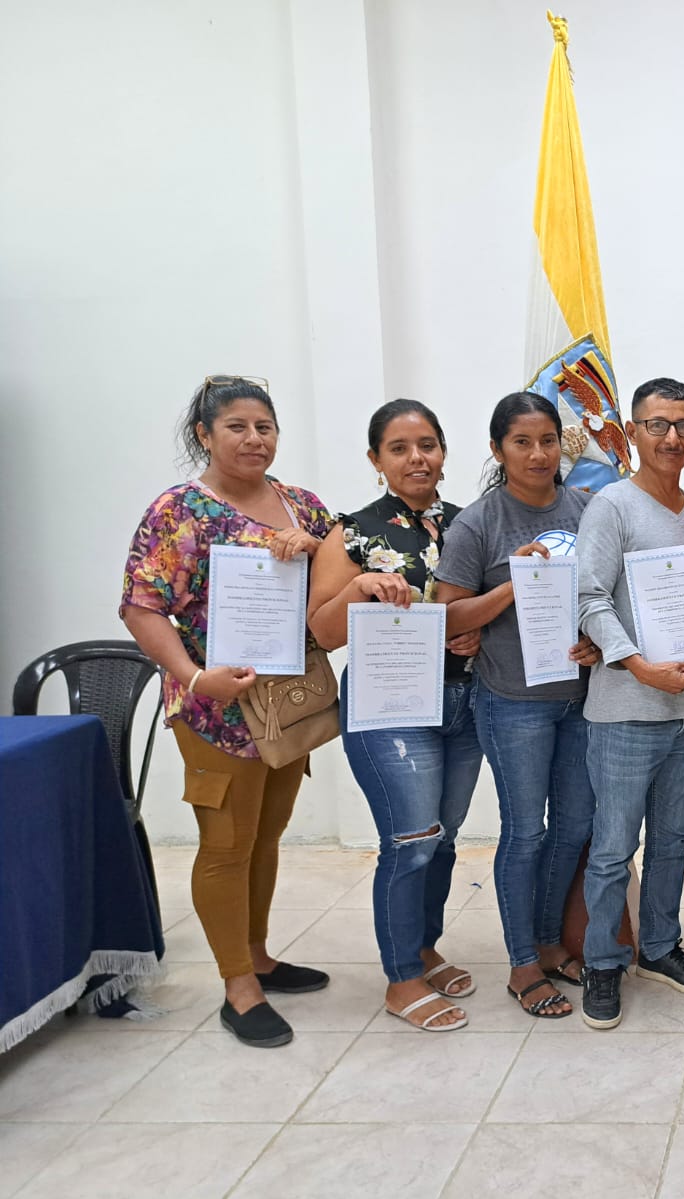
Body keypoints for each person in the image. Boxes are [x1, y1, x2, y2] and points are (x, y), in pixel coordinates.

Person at [120, 376, 334, 1048]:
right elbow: (141, 607)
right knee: (226, 844)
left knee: (267, 835)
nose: (254, 439)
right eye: (237, 426)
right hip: (214, 708)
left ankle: (259, 955)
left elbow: (340, 582)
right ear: (204, 435)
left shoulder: (303, 506)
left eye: (264, 426)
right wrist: (193, 677)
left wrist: (317, 550)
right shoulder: (179, 510)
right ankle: (238, 986)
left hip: (286, 707)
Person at [306, 399, 484, 1032]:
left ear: (444, 451)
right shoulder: (351, 533)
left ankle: (424, 947)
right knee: (410, 842)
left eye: (427, 445)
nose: (417, 458)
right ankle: (401, 979)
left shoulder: (468, 524)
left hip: (463, 703)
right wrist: (358, 588)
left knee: (443, 839)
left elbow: (483, 609)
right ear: (376, 459)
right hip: (388, 709)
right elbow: (323, 632)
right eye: (400, 448)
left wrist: (475, 633)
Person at [433, 392, 600, 1020]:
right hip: (513, 703)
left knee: (574, 827)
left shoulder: (588, 509)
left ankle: (551, 942)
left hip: (582, 699)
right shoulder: (478, 523)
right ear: (498, 450)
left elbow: (607, 594)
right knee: (525, 831)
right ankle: (522, 963)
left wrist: (598, 640)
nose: (538, 454)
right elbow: (449, 616)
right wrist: (512, 584)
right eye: (522, 443)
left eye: (548, 440)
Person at [574, 377, 684, 1029]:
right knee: (614, 847)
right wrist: (639, 665)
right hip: (623, 709)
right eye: (659, 424)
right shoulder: (610, 506)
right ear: (633, 432)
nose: (673, 437)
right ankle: (602, 960)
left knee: (673, 838)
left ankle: (660, 947)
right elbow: (589, 599)